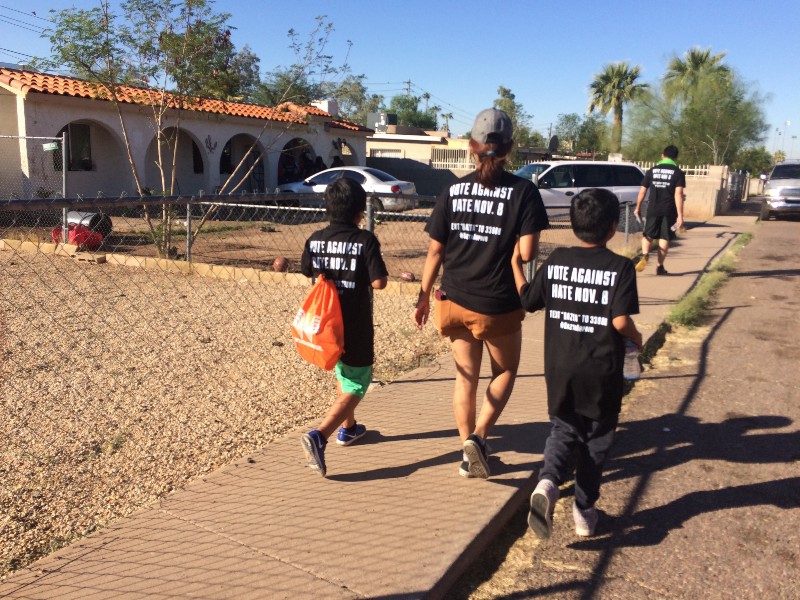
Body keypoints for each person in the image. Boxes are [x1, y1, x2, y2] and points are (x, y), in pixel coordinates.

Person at [414, 108, 549, 479]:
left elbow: (435, 251)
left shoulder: (452, 190)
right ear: (509, 149)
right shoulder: (524, 193)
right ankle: (480, 437)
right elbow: (527, 254)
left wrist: (423, 296)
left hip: (452, 301)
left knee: (465, 379)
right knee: (504, 370)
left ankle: (466, 452)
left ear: (472, 147)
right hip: (497, 305)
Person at [511, 187, 642, 538]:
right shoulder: (621, 267)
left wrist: (515, 266)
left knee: (563, 428)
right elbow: (619, 322)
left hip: (560, 367)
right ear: (614, 226)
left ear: (573, 224)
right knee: (597, 440)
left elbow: (528, 300)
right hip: (602, 370)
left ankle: (549, 483)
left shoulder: (557, 261)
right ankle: (584, 512)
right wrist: (638, 337)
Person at [300, 178, 389, 477]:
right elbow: (379, 282)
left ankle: (348, 428)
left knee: (343, 371)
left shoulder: (314, 238)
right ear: (359, 210)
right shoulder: (365, 241)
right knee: (359, 381)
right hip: (355, 323)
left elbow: (306, 270)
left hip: (326, 324)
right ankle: (319, 435)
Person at [633, 145, 686, 275]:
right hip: (669, 211)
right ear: (676, 157)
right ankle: (660, 266)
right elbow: (678, 195)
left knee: (648, 234)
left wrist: (638, 207)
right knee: (664, 237)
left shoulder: (652, 171)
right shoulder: (678, 173)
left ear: (662, 156)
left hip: (653, 209)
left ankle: (645, 254)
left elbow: (642, 191)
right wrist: (680, 216)